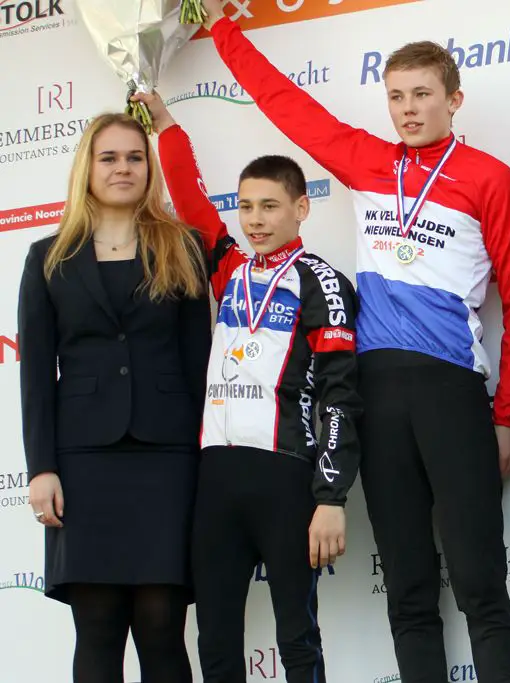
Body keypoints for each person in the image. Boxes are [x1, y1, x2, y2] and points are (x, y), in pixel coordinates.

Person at [194, 3, 510, 682]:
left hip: (451, 388)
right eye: (397, 96)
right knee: (408, 589)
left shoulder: (490, 179)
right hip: (377, 392)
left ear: (454, 99)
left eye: (422, 95)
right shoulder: (366, 160)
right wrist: (219, 29)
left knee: (480, 584)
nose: (407, 110)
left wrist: (506, 415)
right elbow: (287, 106)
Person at [136, 90, 362, 683]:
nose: (256, 220)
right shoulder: (230, 268)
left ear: (301, 209)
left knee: (297, 637)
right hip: (216, 478)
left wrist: (331, 497)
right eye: (246, 208)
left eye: (269, 206)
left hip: (285, 475)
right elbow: (189, 198)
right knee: (215, 639)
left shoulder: (321, 282)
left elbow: (341, 393)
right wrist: (166, 125)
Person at [18, 112, 211, 683]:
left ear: (149, 168)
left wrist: (211, 462)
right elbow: (35, 378)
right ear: (87, 168)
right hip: (82, 462)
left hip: (169, 458)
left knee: (161, 625)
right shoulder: (48, 257)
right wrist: (42, 468)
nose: (123, 168)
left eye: (134, 157)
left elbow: (200, 366)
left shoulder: (184, 248)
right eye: (109, 157)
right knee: (97, 628)